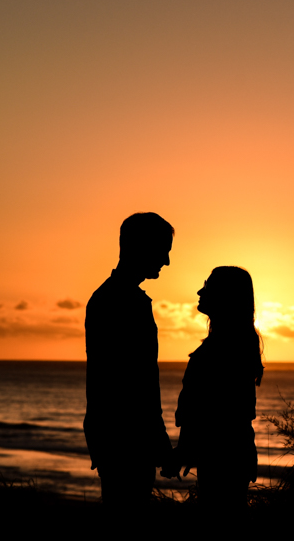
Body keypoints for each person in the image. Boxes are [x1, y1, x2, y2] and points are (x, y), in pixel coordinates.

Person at [84, 212, 177, 508]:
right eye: (163, 251)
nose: (166, 261)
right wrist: (160, 443)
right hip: (126, 440)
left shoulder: (111, 297)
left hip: (113, 435)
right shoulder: (123, 302)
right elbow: (136, 383)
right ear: (142, 247)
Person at [167, 266, 264, 509]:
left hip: (224, 458)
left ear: (224, 296)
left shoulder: (225, 349)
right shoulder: (231, 344)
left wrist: (185, 449)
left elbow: (214, 411)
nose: (200, 291)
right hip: (228, 455)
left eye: (207, 286)